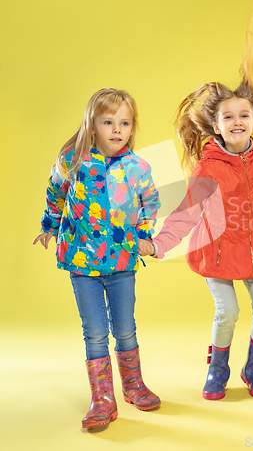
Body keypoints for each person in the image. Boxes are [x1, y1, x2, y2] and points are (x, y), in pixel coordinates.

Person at [152, 15, 253, 400]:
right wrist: (157, 245)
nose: (237, 121)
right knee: (227, 312)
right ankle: (217, 370)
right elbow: (186, 213)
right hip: (217, 254)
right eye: (228, 117)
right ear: (216, 126)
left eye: (244, 115)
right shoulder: (207, 167)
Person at [33, 88, 161, 429]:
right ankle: (103, 399)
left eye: (124, 123)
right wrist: (48, 226)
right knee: (95, 334)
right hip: (81, 262)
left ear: (133, 128)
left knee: (126, 329)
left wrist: (146, 236)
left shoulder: (138, 167)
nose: (117, 130)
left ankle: (133, 386)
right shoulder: (72, 159)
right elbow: (55, 194)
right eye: (108, 122)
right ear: (93, 124)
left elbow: (151, 203)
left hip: (122, 263)